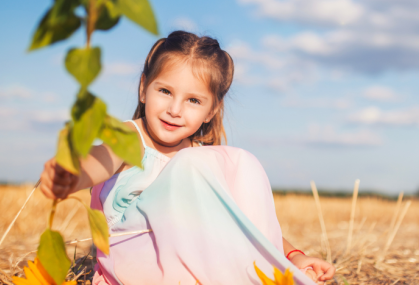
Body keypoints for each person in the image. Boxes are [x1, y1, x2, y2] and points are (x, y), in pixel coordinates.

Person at [39, 31, 335, 285]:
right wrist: (70, 174)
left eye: (193, 100)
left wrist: (294, 255)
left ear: (211, 110)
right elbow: (99, 159)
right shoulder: (130, 139)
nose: (175, 109)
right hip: (142, 268)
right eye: (165, 91)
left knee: (240, 162)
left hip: (193, 267)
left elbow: (240, 220)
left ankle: (271, 272)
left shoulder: (199, 158)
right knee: (193, 166)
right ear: (144, 88)